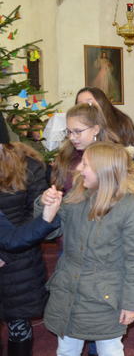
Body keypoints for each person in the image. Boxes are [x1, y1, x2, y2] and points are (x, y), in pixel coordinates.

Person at [51, 102, 134, 354]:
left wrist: (131, 303)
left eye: (85, 165)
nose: (78, 168)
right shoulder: (77, 196)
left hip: (106, 297)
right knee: (66, 349)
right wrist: (45, 206)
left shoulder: (129, 207)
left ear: (104, 171)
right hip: (71, 293)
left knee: (109, 349)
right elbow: (52, 229)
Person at [0, 117, 49, 356]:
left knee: (17, 322)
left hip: (19, 260)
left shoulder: (29, 166)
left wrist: (5, 254)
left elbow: (36, 215)